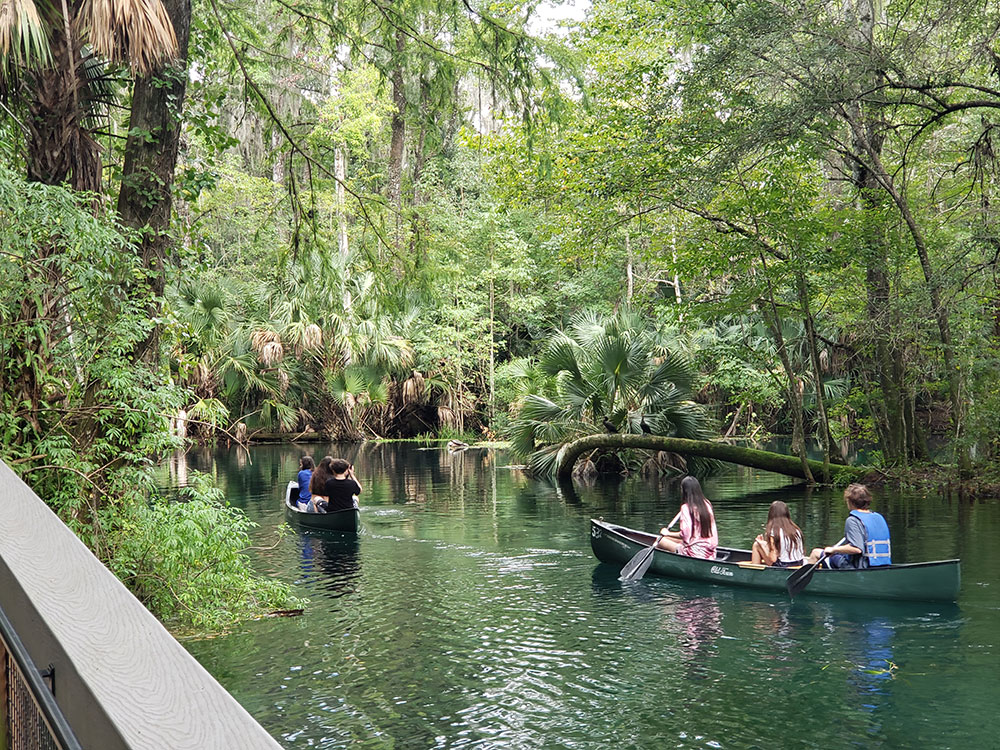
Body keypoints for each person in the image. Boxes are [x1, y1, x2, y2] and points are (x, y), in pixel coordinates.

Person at [805, 483, 891, 569]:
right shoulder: (878, 517)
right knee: (838, 555)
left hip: (860, 567)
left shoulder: (853, 520)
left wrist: (833, 549)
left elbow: (856, 548)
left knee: (816, 552)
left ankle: (811, 581)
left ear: (849, 501)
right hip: (883, 565)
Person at [657, 476, 718, 559]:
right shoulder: (707, 504)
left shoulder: (686, 508)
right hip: (711, 553)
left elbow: (685, 535)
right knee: (668, 539)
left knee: (660, 540)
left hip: (694, 553)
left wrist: (668, 533)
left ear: (684, 491)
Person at [751, 500, 804, 567]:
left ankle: (754, 572)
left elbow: (773, 559)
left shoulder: (774, 531)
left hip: (784, 565)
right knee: (764, 544)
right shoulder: (796, 530)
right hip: (799, 563)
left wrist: (762, 545)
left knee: (756, 545)